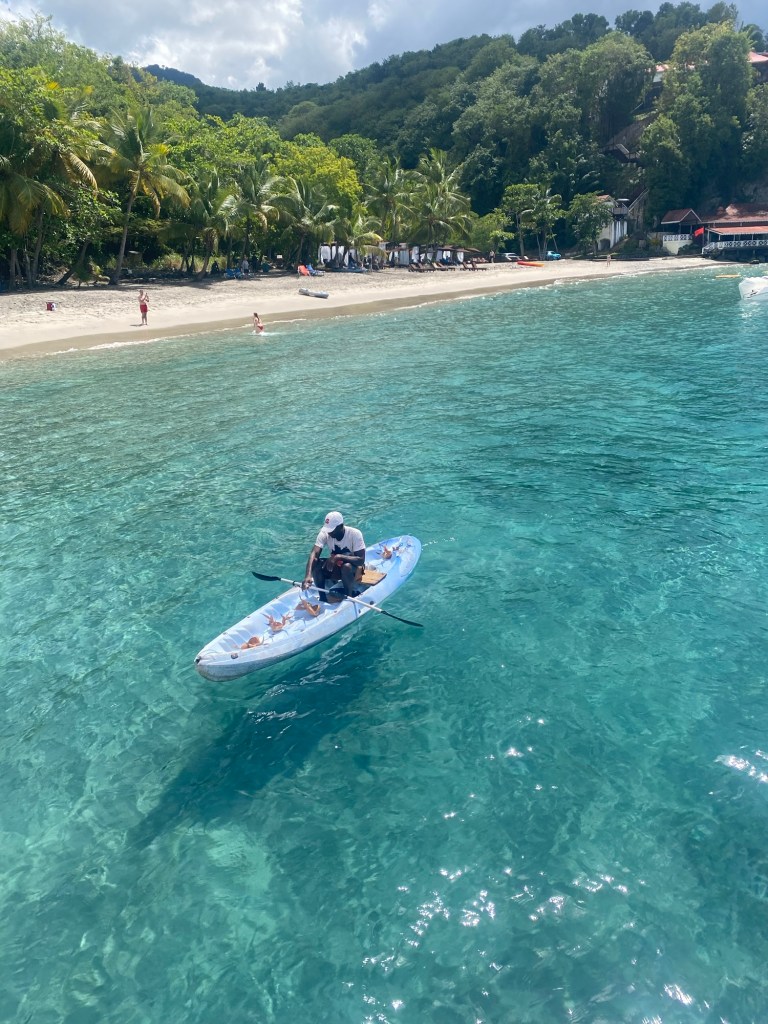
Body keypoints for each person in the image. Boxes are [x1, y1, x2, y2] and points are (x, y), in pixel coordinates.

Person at [302, 511, 365, 601]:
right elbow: (314, 553)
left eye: (332, 530)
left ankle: (349, 596)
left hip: (354, 570)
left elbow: (361, 560)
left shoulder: (355, 534)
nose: (329, 533)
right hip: (336, 567)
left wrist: (338, 557)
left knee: (346, 567)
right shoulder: (325, 532)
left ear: (341, 526)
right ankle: (322, 598)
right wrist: (308, 575)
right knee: (317, 563)